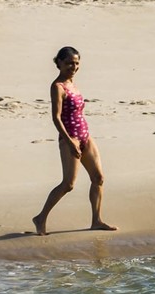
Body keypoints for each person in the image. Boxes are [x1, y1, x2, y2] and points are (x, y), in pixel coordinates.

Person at [32, 46, 117, 236]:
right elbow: (56, 117)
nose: (74, 66)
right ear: (59, 63)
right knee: (68, 184)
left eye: (77, 63)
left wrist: (83, 138)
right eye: (70, 63)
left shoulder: (73, 83)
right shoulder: (57, 87)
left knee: (98, 178)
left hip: (86, 136)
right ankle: (40, 218)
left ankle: (96, 220)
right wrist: (70, 143)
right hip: (69, 139)